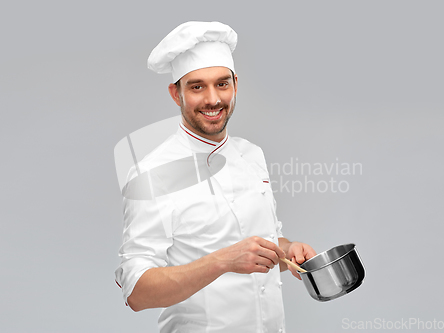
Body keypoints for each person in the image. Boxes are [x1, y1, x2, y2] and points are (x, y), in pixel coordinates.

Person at [115, 21, 316, 333]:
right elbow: (136, 292)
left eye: (222, 84)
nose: (213, 99)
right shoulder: (151, 173)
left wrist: (287, 250)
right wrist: (222, 261)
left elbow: (261, 236)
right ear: (175, 93)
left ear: (235, 84)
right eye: (197, 86)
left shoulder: (252, 155)